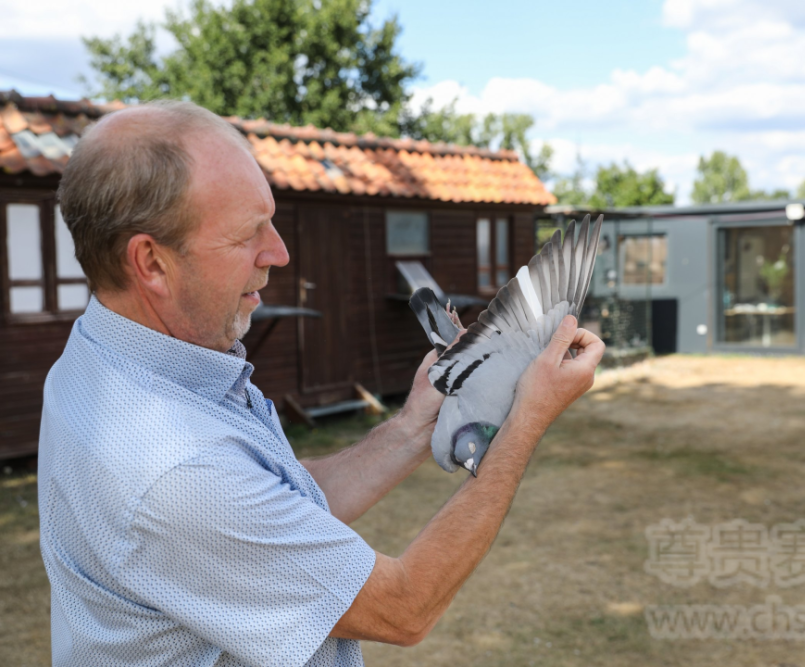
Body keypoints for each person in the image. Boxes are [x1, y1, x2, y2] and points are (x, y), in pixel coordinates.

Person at [38, 100, 604, 667]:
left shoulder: (99, 361)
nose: (279, 253)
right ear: (151, 263)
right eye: (246, 234)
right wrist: (526, 420)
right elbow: (404, 608)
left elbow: (270, 501)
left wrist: (411, 427)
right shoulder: (177, 471)